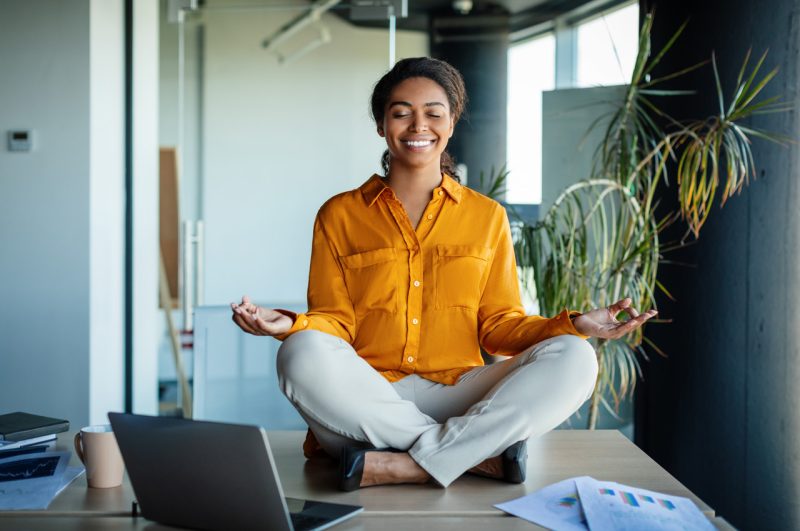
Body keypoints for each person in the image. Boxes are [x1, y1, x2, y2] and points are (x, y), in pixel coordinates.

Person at [231, 57, 656, 491]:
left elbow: (499, 327)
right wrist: (289, 324)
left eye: (433, 113)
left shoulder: (486, 216)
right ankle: (471, 454)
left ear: (451, 123)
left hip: (462, 394)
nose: (419, 126)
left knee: (575, 356)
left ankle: (401, 464)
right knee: (298, 352)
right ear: (382, 124)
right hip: (371, 398)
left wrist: (574, 325)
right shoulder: (338, 214)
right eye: (401, 113)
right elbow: (335, 326)